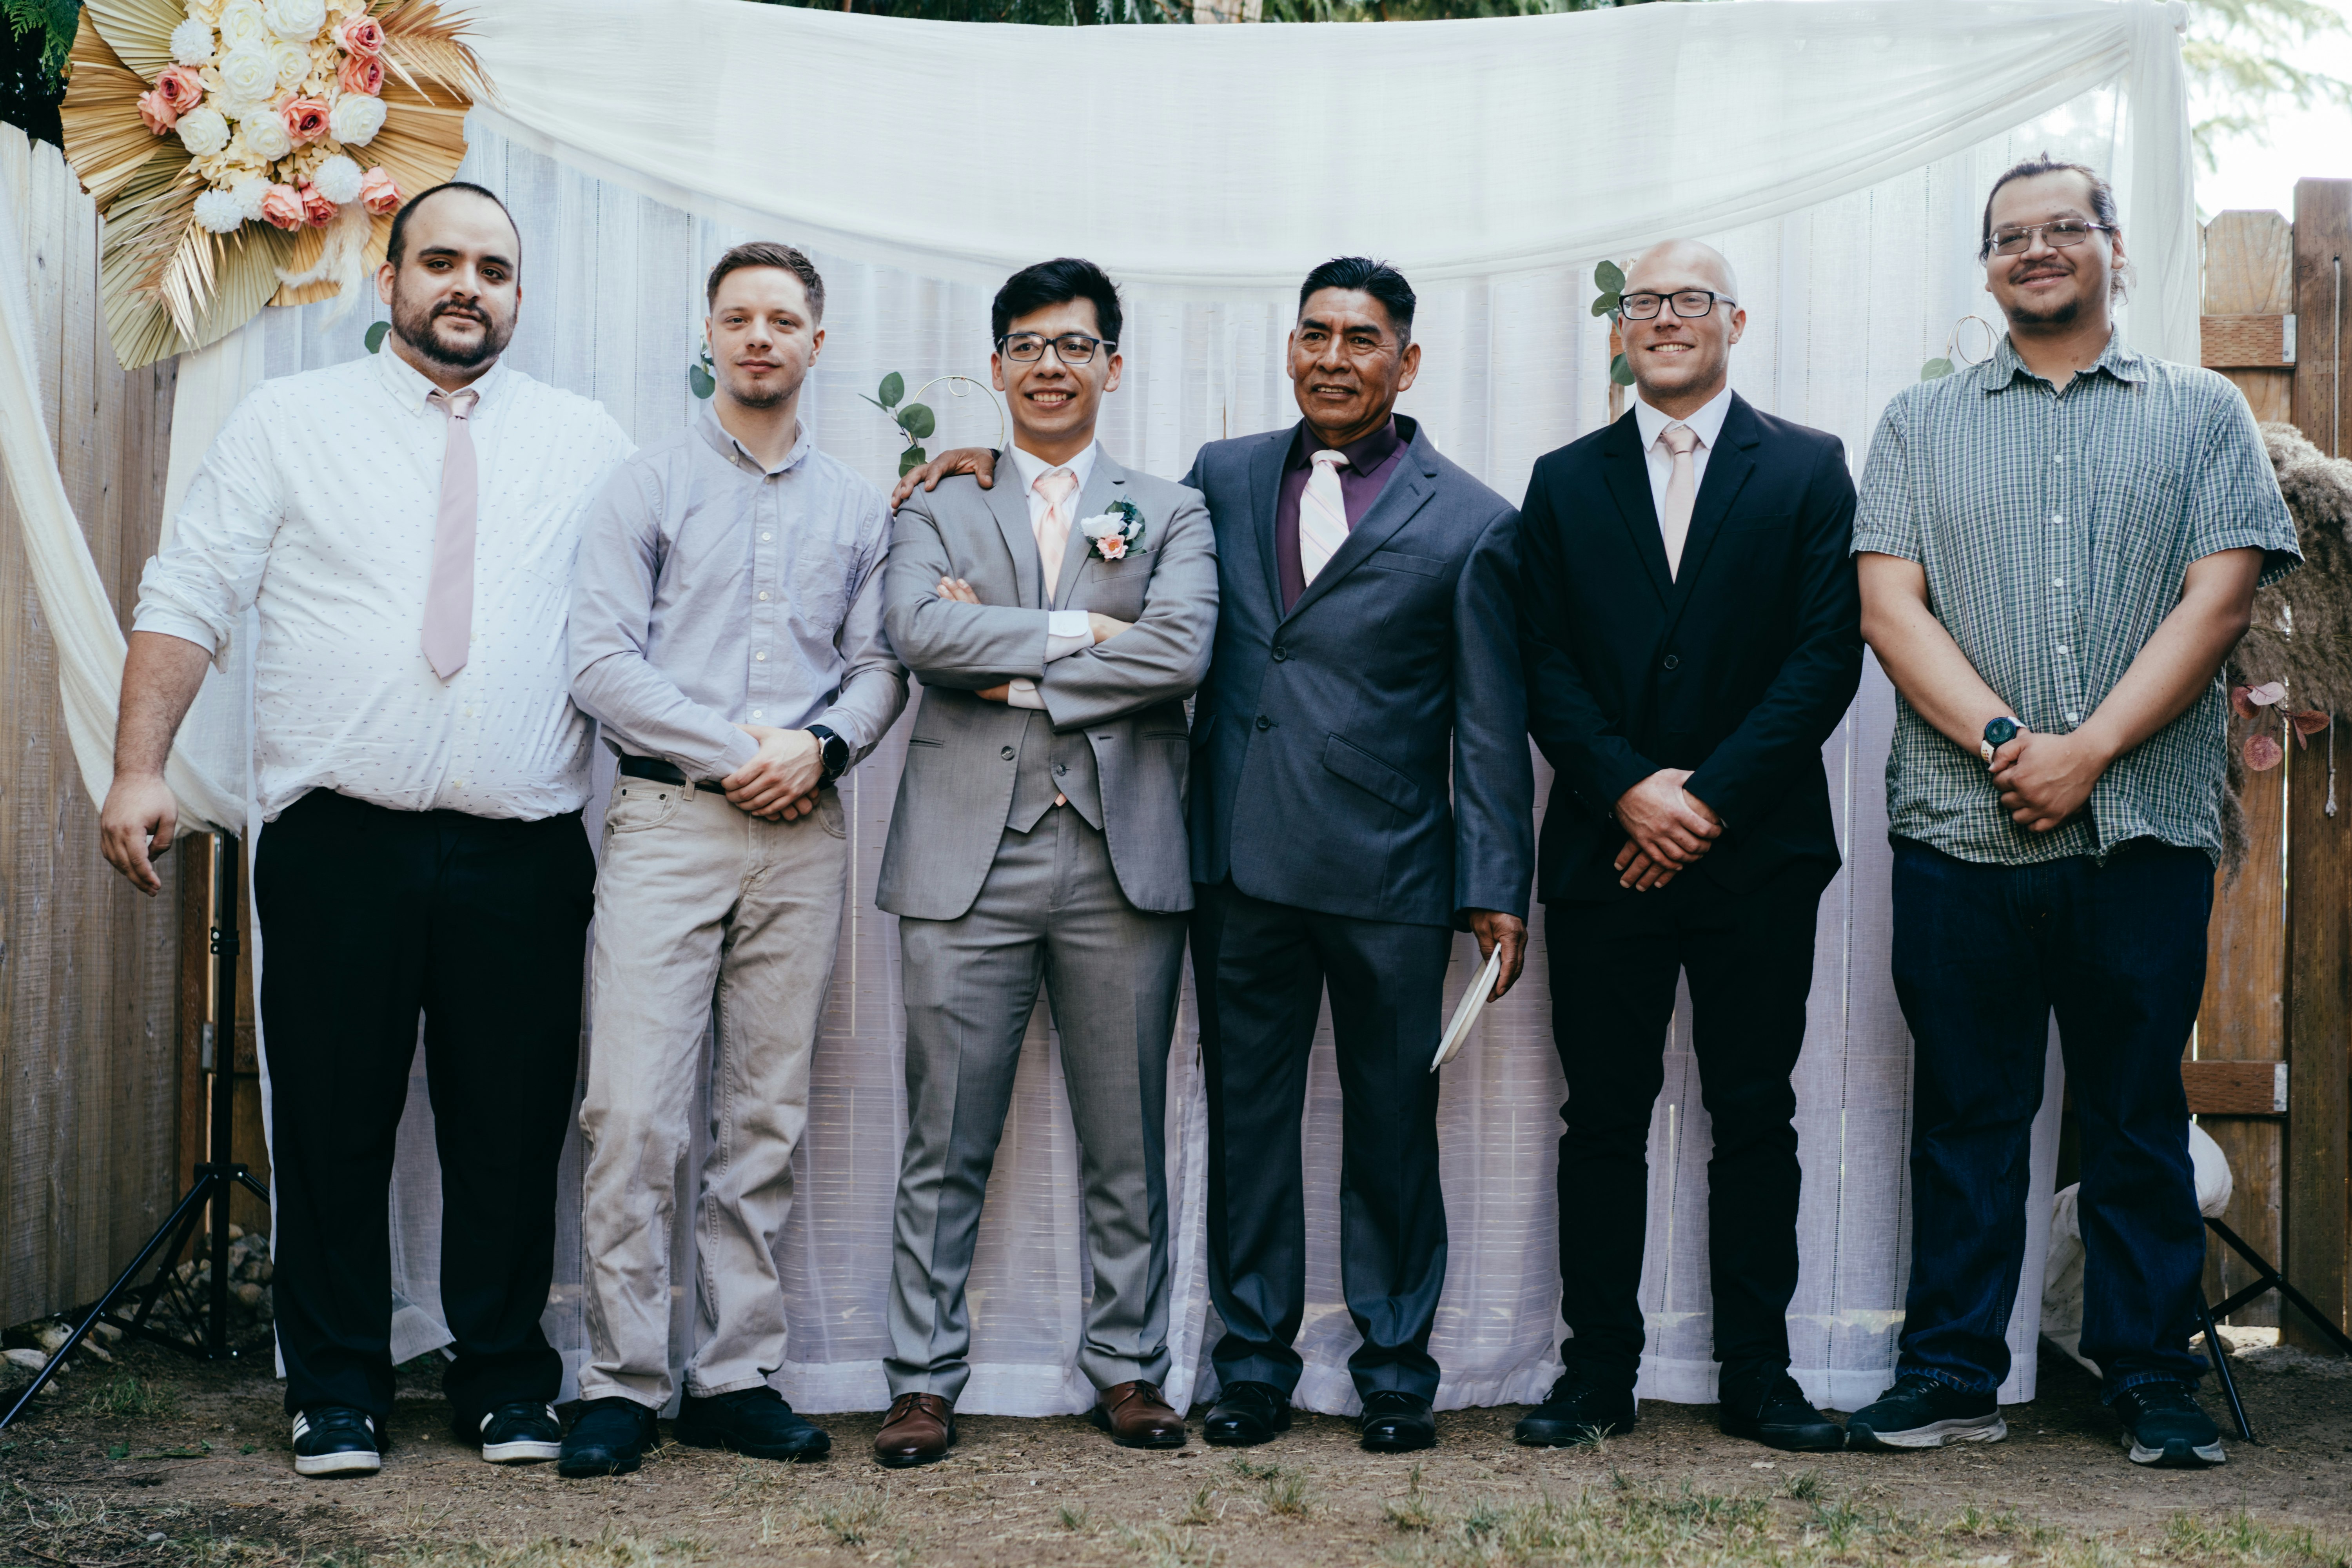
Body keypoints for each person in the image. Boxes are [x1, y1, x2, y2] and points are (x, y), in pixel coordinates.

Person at [901, 256, 1533, 1453]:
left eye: (1360, 339)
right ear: (1288, 349)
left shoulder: (1474, 519)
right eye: (1312, 335)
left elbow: (1490, 721)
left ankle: (1396, 1365)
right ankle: (1252, 1363)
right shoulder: (1217, 481)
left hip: (1395, 872)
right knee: (1249, 1122)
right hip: (1235, 862)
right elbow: (1104, 561)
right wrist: (970, 469)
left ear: (1408, 360)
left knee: (1394, 1122)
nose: (1333, 359)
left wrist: (1497, 886)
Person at [100, 183, 636, 1477]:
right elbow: (191, 589)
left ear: (520, 294)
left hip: (524, 841)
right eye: (441, 262)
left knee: (510, 1127)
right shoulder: (292, 424)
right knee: (335, 1121)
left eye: (494, 269)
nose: (468, 286)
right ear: (386, 279)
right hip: (341, 839)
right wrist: (137, 769)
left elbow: (683, 579)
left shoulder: (590, 440)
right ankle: (335, 1387)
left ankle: (503, 1377)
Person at [1848, 156, 2299, 1468]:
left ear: (2116, 249)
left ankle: (2150, 1376)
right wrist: (2007, 742)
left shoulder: (2203, 411)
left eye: (2064, 229)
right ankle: (1945, 1374)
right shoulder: (1919, 425)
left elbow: (2218, 604)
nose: (2036, 251)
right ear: (1985, 268)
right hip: (1958, 826)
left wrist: (2088, 750)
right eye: (2010, 237)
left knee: (2134, 1116)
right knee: (1969, 1116)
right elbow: (1890, 607)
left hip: (2142, 827)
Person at [555, 243, 908, 1477]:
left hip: (802, 836)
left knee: (764, 1114)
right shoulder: (643, 486)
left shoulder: (861, 508)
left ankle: (737, 1374)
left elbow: (878, 669)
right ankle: (620, 1380)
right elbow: (600, 665)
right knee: (634, 1110)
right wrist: (739, 752)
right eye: (738, 318)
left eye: (784, 320)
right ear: (709, 336)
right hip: (668, 826)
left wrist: (816, 748)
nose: (760, 337)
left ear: (818, 342)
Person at [1514, 240, 1862, 1453]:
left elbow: (1825, 656)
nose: (1666, 318)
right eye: (1645, 302)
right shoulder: (1562, 482)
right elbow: (1540, 661)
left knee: (1755, 1112)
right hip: (1603, 856)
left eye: (1691, 301)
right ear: (1621, 330)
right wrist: (1627, 794)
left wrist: (1700, 803)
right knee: (1601, 1118)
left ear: (1736, 321)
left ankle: (1758, 1377)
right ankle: (1596, 1373)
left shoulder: (1809, 470)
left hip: (1757, 854)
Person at [868, 258, 1215, 1468]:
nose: (1051, 365)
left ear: (1113, 365)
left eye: (1075, 345)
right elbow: (918, 631)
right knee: (942, 1138)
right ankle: (919, 1379)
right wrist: (1079, 633)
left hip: (1124, 861)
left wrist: (1004, 661)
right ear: (999, 365)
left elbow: (1180, 652)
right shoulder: (934, 503)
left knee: (1127, 1139)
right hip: (966, 856)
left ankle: (1129, 1367)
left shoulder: (1169, 509)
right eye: (1027, 345)